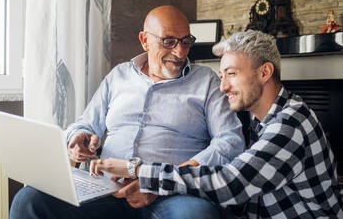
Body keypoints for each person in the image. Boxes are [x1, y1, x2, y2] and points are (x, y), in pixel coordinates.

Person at [10, 5, 245, 219]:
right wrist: (77, 137)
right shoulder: (118, 76)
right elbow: (86, 124)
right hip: (105, 190)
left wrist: (163, 181)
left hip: (170, 193)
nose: (181, 52)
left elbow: (230, 141)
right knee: (29, 199)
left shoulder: (207, 82)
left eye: (186, 41)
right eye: (169, 42)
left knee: (196, 216)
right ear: (145, 40)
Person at [91, 30, 343, 218]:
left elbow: (231, 183)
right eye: (222, 75)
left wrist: (137, 170)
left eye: (231, 74)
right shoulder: (265, 119)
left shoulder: (290, 124)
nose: (223, 87)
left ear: (264, 73)